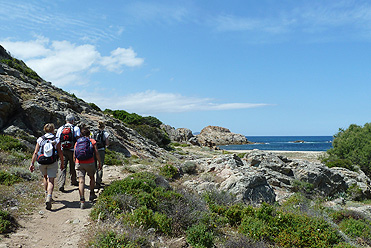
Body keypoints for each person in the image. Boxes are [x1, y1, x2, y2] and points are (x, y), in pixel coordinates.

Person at [29, 123, 64, 210]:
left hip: (41, 161)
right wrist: (62, 163)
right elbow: (60, 152)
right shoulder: (56, 139)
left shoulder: (40, 139)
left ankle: (46, 194)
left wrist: (32, 163)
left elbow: (36, 152)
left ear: (44, 130)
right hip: (52, 161)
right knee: (51, 180)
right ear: (53, 130)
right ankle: (49, 196)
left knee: (45, 177)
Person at [74, 127, 102, 209]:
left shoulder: (77, 142)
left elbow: (74, 153)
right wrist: (99, 162)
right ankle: (92, 194)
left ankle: (82, 200)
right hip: (90, 162)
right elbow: (96, 152)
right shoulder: (92, 141)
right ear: (88, 134)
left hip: (79, 162)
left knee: (81, 181)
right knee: (91, 177)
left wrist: (75, 161)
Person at [56, 114, 81, 192]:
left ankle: (61, 184)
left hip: (63, 150)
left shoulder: (61, 128)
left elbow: (57, 139)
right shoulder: (76, 128)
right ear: (73, 121)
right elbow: (78, 139)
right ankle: (73, 181)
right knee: (72, 166)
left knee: (62, 167)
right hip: (72, 150)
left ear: (66, 120)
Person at [92, 121, 109, 188]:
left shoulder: (93, 132)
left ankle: (92, 181)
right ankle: (98, 182)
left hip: (93, 150)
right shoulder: (105, 133)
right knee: (100, 165)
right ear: (103, 126)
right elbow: (107, 143)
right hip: (101, 150)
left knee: (94, 165)